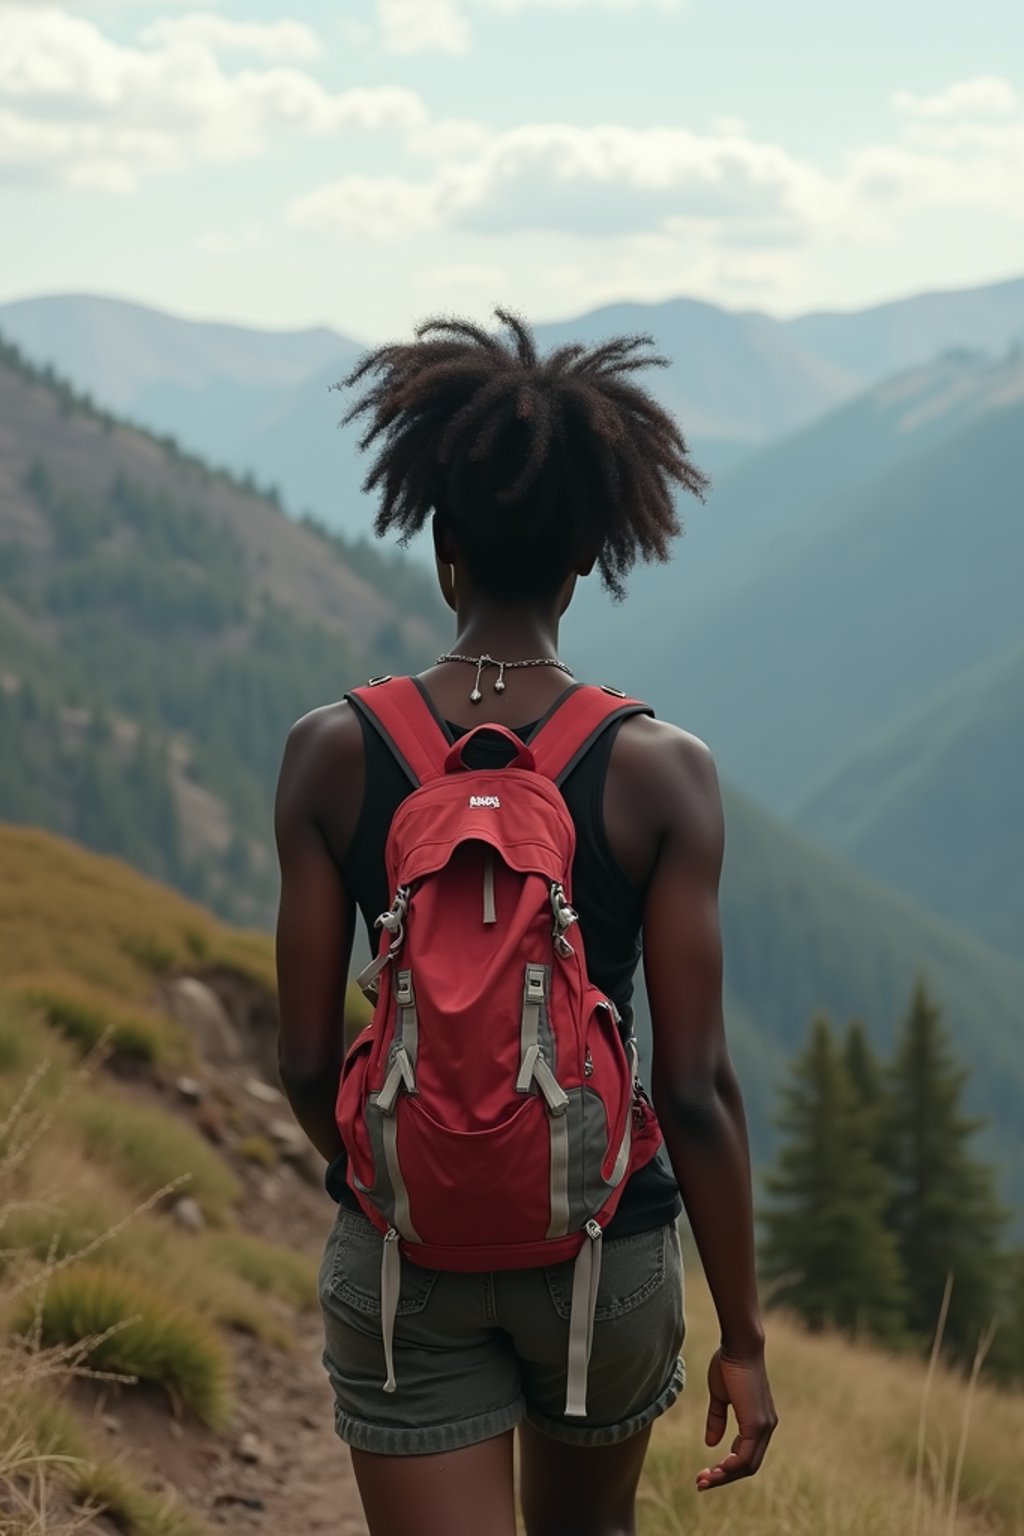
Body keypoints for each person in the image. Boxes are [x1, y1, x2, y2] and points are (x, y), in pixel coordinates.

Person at [274, 311, 777, 1536]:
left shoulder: (332, 752)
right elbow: (698, 1085)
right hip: (604, 1249)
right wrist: (745, 1340)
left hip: (405, 1259)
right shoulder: (662, 770)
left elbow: (299, 1057)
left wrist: (412, 1180)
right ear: (586, 560)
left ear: (441, 547)